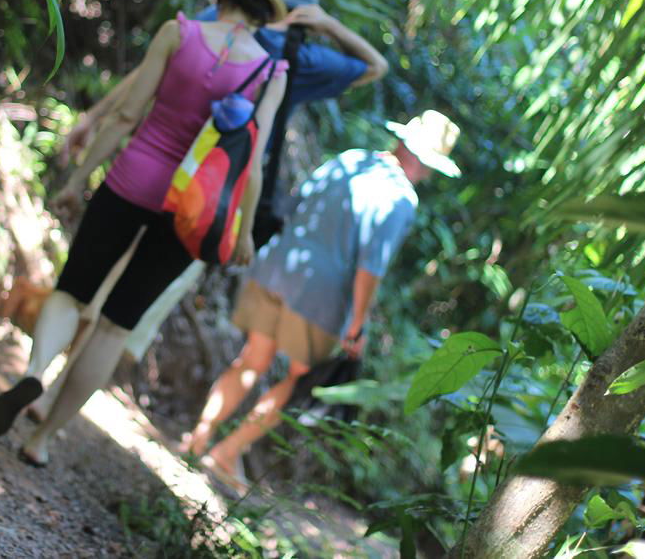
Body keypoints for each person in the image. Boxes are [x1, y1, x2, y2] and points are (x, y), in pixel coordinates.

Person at [0, 0, 290, 467]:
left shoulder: (180, 32)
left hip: (130, 183)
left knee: (72, 293)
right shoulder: (271, 71)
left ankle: (36, 371)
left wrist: (78, 180)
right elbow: (252, 166)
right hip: (190, 212)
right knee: (114, 327)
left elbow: (127, 113)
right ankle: (41, 440)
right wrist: (244, 233)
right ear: (267, 14)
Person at [46, 0, 388, 379]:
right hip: (208, 203)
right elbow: (375, 67)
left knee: (89, 288)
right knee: (122, 317)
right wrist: (330, 25)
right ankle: (60, 398)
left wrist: (94, 117)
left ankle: (47, 382)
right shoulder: (300, 62)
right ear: (298, 11)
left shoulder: (214, 23)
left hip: (137, 178)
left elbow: (143, 83)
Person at [185, 110, 461, 492]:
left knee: (251, 359)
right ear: (425, 162)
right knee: (302, 380)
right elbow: (370, 267)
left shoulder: (352, 158)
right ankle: (226, 453)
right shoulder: (401, 198)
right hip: (321, 296)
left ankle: (199, 437)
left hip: (278, 266)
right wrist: (357, 324)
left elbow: (297, 204)